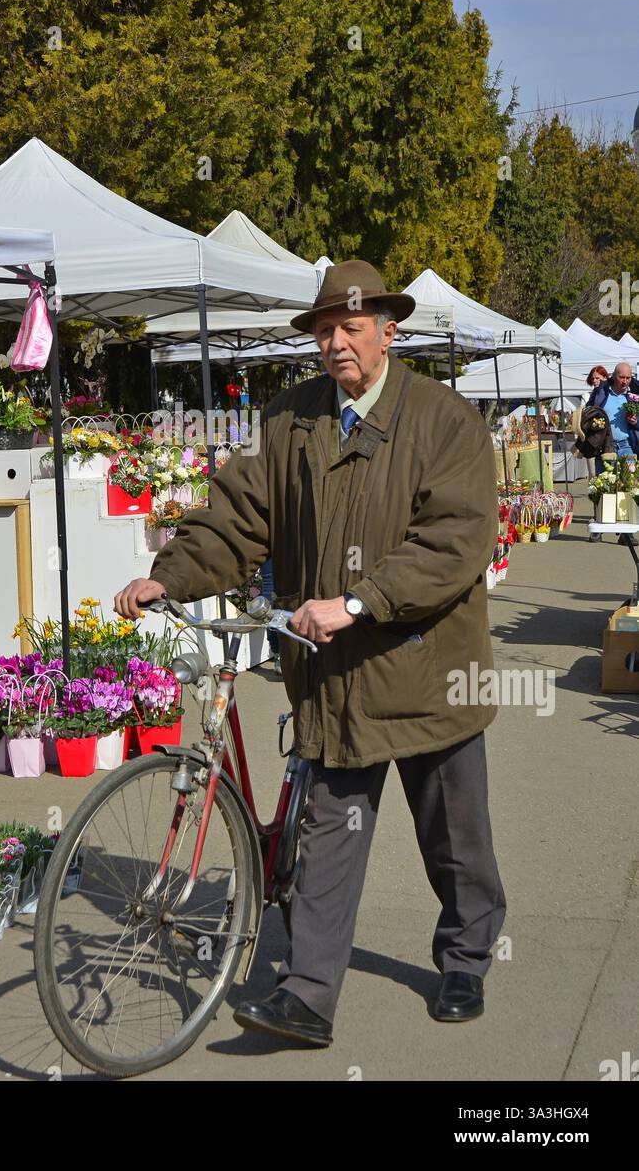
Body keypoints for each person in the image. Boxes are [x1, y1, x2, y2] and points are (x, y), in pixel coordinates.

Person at [115, 260, 505, 1049]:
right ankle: (308, 994)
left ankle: (465, 958)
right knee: (330, 829)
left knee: (454, 835)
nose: (336, 344)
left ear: (387, 332)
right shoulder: (289, 421)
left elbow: (456, 540)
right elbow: (238, 516)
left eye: (350, 328)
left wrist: (360, 602)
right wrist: (171, 577)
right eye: (324, 330)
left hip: (426, 668)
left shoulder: (443, 419)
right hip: (331, 675)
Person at [588, 361, 639, 459]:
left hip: (627, 446)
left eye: (628, 378)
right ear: (614, 376)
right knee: (604, 475)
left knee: (629, 474)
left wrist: (636, 422)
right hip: (604, 447)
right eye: (621, 377)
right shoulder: (601, 392)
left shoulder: (634, 396)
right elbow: (589, 412)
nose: (625, 381)